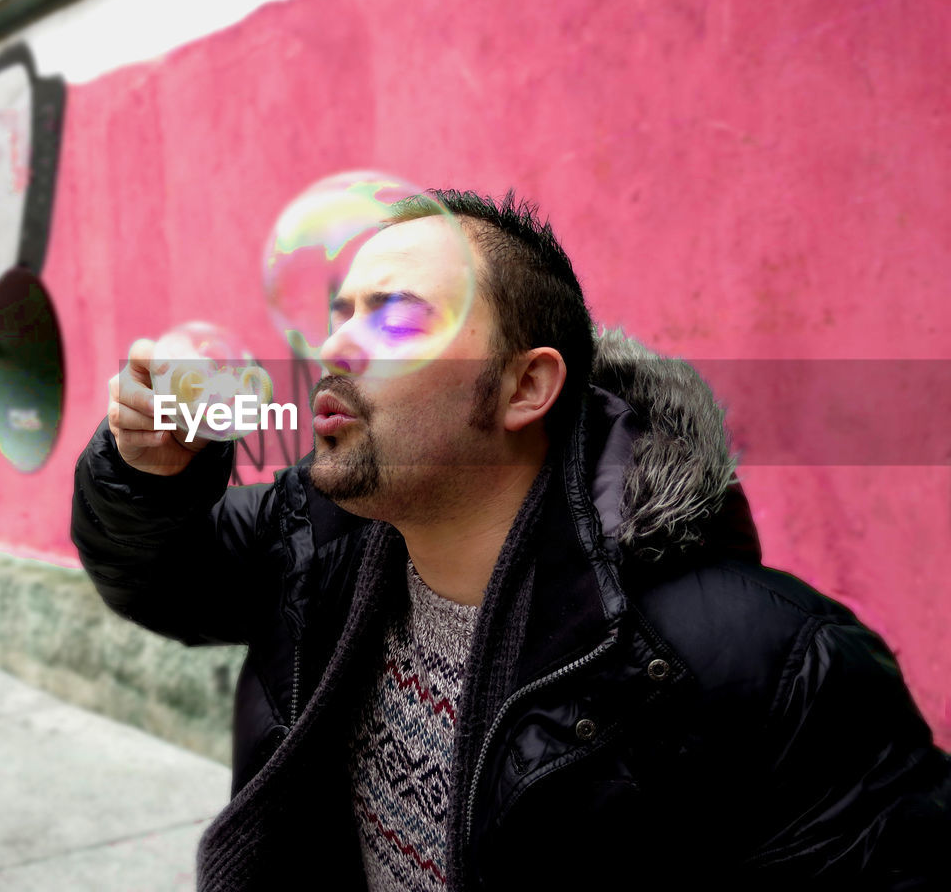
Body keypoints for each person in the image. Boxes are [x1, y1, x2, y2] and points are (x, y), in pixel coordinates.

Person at [71, 190, 951, 890]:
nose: (334, 343)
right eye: (340, 311)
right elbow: (162, 583)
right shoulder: (314, 530)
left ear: (525, 388)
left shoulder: (772, 662)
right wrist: (148, 473)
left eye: (396, 316)